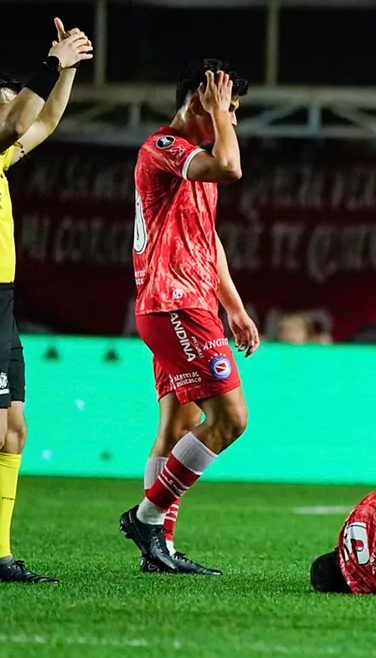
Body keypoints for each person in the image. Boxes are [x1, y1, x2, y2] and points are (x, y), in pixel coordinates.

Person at [0, 18, 92, 583]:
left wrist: (67, 72)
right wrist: (50, 64)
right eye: (6, 117)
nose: (15, 128)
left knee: (14, 431)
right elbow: (20, 124)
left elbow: (44, 121)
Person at [119, 59, 259, 574]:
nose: (233, 120)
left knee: (179, 423)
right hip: (175, 303)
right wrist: (219, 114)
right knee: (231, 419)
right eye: (230, 107)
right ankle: (147, 518)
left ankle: (161, 550)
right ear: (202, 101)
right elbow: (232, 167)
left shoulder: (194, 162)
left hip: (183, 304)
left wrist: (235, 307)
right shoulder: (163, 147)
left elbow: (207, 239)